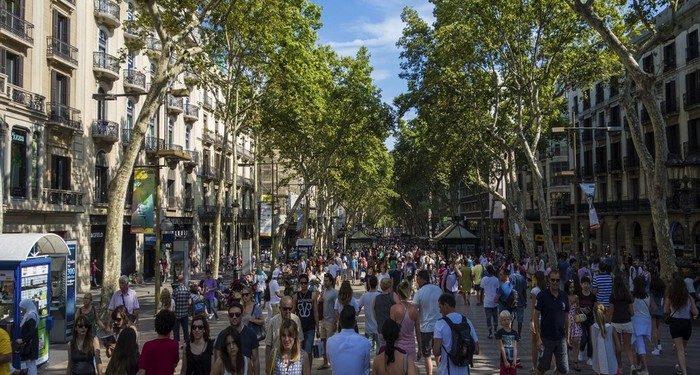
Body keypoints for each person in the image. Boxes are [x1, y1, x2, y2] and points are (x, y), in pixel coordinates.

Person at [533, 270, 570, 375]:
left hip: (561, 338)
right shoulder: (542, 295)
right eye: (552, 279)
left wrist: (567, 337)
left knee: (563, 369)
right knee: (542, 368)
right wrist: (538, 337)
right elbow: (536, 316)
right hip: (546, 338)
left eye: (557, 280)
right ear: (549, 280)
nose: (555, 282)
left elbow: (567, 318)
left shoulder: (564, 296)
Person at [433, 293, 479, 375]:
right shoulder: (466, 321)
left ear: (446, 305)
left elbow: (436, 351)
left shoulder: (439, 324)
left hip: (447, 370)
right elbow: (477, 349)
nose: (439, 311)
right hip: (464, 370)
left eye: (440, 307)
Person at [664, 276, 699, 375]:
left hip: (675, 323)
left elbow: (665, 310)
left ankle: (684, 372)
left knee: (680, 349)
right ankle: (680, 368)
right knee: (682, 349)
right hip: (687, 324)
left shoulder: (670, 296)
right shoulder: (688, 297)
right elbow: (695, 312)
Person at [214, 303, 259, 375]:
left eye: (237, 314)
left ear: (242, 315)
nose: (234, 317)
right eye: (231, 315)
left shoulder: (251, 334)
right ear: (228, 317)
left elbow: (255, 359)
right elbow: (217, 359)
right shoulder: (222, 335)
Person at [413, 269, 442, 375]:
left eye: (417, 279)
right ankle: (441, 372)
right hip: (439, 326)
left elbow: (413, 310)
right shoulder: (438, 289)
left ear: (421, 279)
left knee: (427, 355)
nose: (417, 282)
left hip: (426, 328)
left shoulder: (419, 293)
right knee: (438, 353)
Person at [327, 305, 371, 375]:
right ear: (355, 323)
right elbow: (366, 367)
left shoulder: (330, 341)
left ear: (340, 323)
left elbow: (331, 362)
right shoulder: (365, 342)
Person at [608, 274, 635, 375]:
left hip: (616, 323)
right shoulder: (628, 295)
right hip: (627, 322)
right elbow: (632, 312)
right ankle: (633, 367)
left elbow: (611, 311)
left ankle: (620, 368)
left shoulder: (613, 295)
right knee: (628, 347)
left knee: (618, 348)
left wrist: (607, 321)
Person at [137, 309, 179, 375]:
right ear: (171, 326)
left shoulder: (148, 346)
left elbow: (142, 371)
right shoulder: (174, 345)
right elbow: (175, 364)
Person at [265, 297, 303, 369]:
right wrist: (267, 365)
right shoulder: (273, 321)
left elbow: (300, 341)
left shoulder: (296, 320)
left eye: (290, 308)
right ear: (280, 308)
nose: (288, 311)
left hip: (293, 361)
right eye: (285, 309)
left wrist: (299, 360)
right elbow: (268, 345)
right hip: (276, 361)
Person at [391, 281, 420, 361]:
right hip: (410, 347)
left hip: (397, 347)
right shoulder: (414, 310)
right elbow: (418, 331)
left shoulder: (394, 309)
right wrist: (420, 348)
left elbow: (391, 330)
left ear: (398, 294)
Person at [292, 273, 317, 365]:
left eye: (305, 283)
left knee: (308, 351)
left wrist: (318, 327)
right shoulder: (296, 296)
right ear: (299, 283)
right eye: (301, 283)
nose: (303, 285)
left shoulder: (313, 295)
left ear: (308, 283)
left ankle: (308, 371)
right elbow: (293, 312)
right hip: (299, 327)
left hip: (310, 326)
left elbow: (315, 311)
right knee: (299, 351)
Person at [316, 272, 337, 370]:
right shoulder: (324, 291)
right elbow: (320, 302)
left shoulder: (334, 293)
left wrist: (335, 322)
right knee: (323, 342)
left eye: (327, 281)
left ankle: (333, 363)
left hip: (330, 321)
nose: (325, 282)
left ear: (331, 281)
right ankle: (325, 362)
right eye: (324, 280)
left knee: (330, 344)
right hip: (323, 320)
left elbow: (337, 308)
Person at [630, 275, 651, 374]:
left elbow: (630, 309)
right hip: (646, 321)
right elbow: (654, 308)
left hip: (636, 321)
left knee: (640, 344)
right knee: (639, 343)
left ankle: (645, 368)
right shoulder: (648, 296)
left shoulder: (632, 296)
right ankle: (639, 365)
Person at [590, 304, 617, 375]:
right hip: (610, 361)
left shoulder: (592, 328)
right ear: (605, 313)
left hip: (597, 361)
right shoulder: (611, 328)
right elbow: (619, 348)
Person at [577, 276, 596, 366]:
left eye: (587, 284)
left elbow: (595, 307)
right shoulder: (579, 295)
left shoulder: (592, 296)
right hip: (581, 319)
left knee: (590, 339)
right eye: (584, 283)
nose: (586, 285)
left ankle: (590, 357)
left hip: (591, 319)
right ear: (581, 285)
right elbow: (576, 307)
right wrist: (582, 309)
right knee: (583, 337)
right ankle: (580, 351)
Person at [16, 299, 39, 375]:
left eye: (23, 307)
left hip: (30, 344)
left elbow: (31, 331)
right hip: (30, 343)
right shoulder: (30, 313)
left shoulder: (31, 315)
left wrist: (23, 340)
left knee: (30, 365)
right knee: (30, 364)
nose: (21, 309)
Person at [358, 275, 381, 351]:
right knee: (380, 351)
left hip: (368, 329)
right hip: (379, 329)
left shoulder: (364, 296)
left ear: (368, 284)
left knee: (368, 352)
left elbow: (357, 310)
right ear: (377, 283)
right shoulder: (380, 296)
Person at [529, 271, 545, 373]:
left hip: (536, 318)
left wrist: (532, 320)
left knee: (534, 344)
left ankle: (534, 367)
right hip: (545, 318)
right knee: (544, 342)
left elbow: (534, 307)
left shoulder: (534, 290)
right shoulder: (546, 289)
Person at [495, 310, 519, 375]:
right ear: (501, 322)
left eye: (508, 319)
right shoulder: (500, 332)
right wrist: (505, 361)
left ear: (511, 320)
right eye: (504, 320)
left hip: (512, 359)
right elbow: (501, 347)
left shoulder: (515, 333)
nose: (506, 321)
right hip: (504, 359)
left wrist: (514, 360)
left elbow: (515, 348)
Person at [566, 282, 582, 372]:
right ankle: (566, 360)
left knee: (576, 341)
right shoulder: (564, 296)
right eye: (570, 287)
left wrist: (578, 309)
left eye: (573, 287)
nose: (571, 289)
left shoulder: (576, 297)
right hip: (566, 321)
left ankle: (575, 361)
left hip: (575, 321)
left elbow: (578, 309)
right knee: (566, 342)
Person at [481, 265, 500, 339]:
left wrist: (480, 300)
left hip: (487, 302)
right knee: (495, 317)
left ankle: (490, 333)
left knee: (488, 318)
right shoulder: (496, 279)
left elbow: (482, 290)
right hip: (495, 301)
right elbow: (498, 290)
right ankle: (495, 330)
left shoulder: (484, 279)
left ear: (487, 271)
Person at [648, 273, 665, 356]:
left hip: (653, 311)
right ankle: (659, 344)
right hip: (660, 310)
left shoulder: (651, 290)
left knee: (654, 329)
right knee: (658, 328)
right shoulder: (662, 290)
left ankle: (656, 348)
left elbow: (651, 301)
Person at [172, 275, 191, 344]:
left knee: (176, 331)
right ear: (183, 280)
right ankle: (187, 343)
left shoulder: (175, 291)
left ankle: (176, 344)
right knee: (185, 330)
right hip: (185, 314)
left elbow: (173, 303)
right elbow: (190, 302)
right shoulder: (187, 290)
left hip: (176, 314)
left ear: (178, 280)